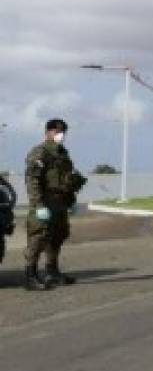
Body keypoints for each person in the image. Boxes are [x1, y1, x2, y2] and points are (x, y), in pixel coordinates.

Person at [24, 118, 87, 291]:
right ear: (48, 132)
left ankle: (52, 272)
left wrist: (72, 199)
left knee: (58, 235)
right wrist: (38, 205)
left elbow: (67, 179)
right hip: (45, 200)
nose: (61, 135)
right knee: (38, 237)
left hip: (60, 201)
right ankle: (30, 275)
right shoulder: (40, 152)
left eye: (63, 132)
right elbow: (32, 180)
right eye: (58, 131)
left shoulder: (63, 153)